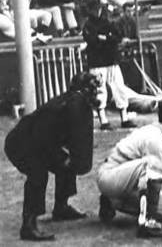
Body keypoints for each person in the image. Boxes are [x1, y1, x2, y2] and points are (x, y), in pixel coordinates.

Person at [4, 72, 100, 241]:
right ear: (82, 90)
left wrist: (67, 158)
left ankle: (61, 208)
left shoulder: (77, 104)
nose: (95, 92)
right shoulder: (64, 106)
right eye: (92, 88)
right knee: (38, 172)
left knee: (68, 162)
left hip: (39, 140)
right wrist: (61, 157)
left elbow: (72, 140)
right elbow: (41, 138)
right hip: (21, 142)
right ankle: (28, 225)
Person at [97, 94, 162, 238]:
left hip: (126, 181)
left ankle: (113, 200)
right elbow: (156, 173)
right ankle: (147, 223)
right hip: (110, 176)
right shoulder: (155, 138)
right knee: (149, 166)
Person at [83, 0, 136, 130]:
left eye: (99, 8)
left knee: (119, 87)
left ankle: (124, 118)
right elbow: (92, 40)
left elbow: (116, 37)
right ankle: (104, 121)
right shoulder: (88, 25)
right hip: (97, 62)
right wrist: (106, 39)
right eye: (95, 9)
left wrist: (105, 38)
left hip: (111, 60)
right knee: (100, 90)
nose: (98, 11)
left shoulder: (107, 23)